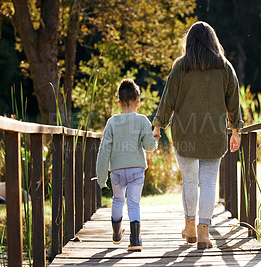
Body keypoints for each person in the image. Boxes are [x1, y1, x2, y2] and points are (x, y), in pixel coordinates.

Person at [152, 21, 243, 249]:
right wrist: (235, 130)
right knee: (210, 182)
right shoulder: (225, 67)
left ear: (189, 42)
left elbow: (168, 99)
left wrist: (158, 125)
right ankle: (204, 231)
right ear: (214, 41)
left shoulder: (181, 67)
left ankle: (190, 226)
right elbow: (234, 102)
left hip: (186, 133)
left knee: (190, 181)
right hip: (214, 133)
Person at [96, 78, 158, 252]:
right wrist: (155, 140)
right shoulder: (143, 121)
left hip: (116, 171)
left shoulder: (112, 122)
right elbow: (149, 146)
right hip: (136, 170)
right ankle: (135, 240)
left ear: (118, 103)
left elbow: (104, 151)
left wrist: (102, 177)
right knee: (134, 203)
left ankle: (116, 235)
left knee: (117, 200)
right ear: (138, 102)